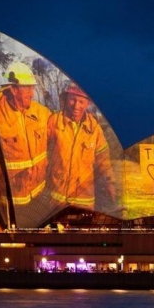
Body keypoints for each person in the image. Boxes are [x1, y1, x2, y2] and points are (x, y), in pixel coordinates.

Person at [0, 61, 50, 223]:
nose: (32, 93)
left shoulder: (42, 113)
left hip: (38, 195)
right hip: (11, 202)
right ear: (14, 90)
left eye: (33, 88)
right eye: (28, 88)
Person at [46, 82, 116, 213]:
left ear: (87, 103)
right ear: (66, 99)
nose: (76, 106)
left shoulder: (94, 128)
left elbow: (103, 160)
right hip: (58, 199)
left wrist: (109, 183)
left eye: (81, 101)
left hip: (84, 199)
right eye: (72, 99)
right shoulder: (54, 121)